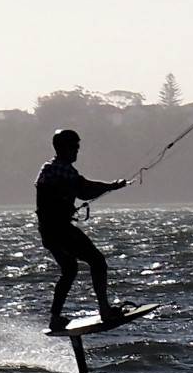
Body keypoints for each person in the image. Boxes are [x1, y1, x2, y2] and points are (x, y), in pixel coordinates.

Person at [35, 128, 128, 331]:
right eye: (74, 147)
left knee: (69, 270)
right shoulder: (60, 169)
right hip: (60, 230)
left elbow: (80, 190)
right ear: (63, 148)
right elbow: (84, 189)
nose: (77, 151)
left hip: (48, 232)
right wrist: (112, 186)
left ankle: (55, 318)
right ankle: (105, 310)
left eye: (78, 147)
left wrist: (107, 187)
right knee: (98, 262)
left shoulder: (48, 168)